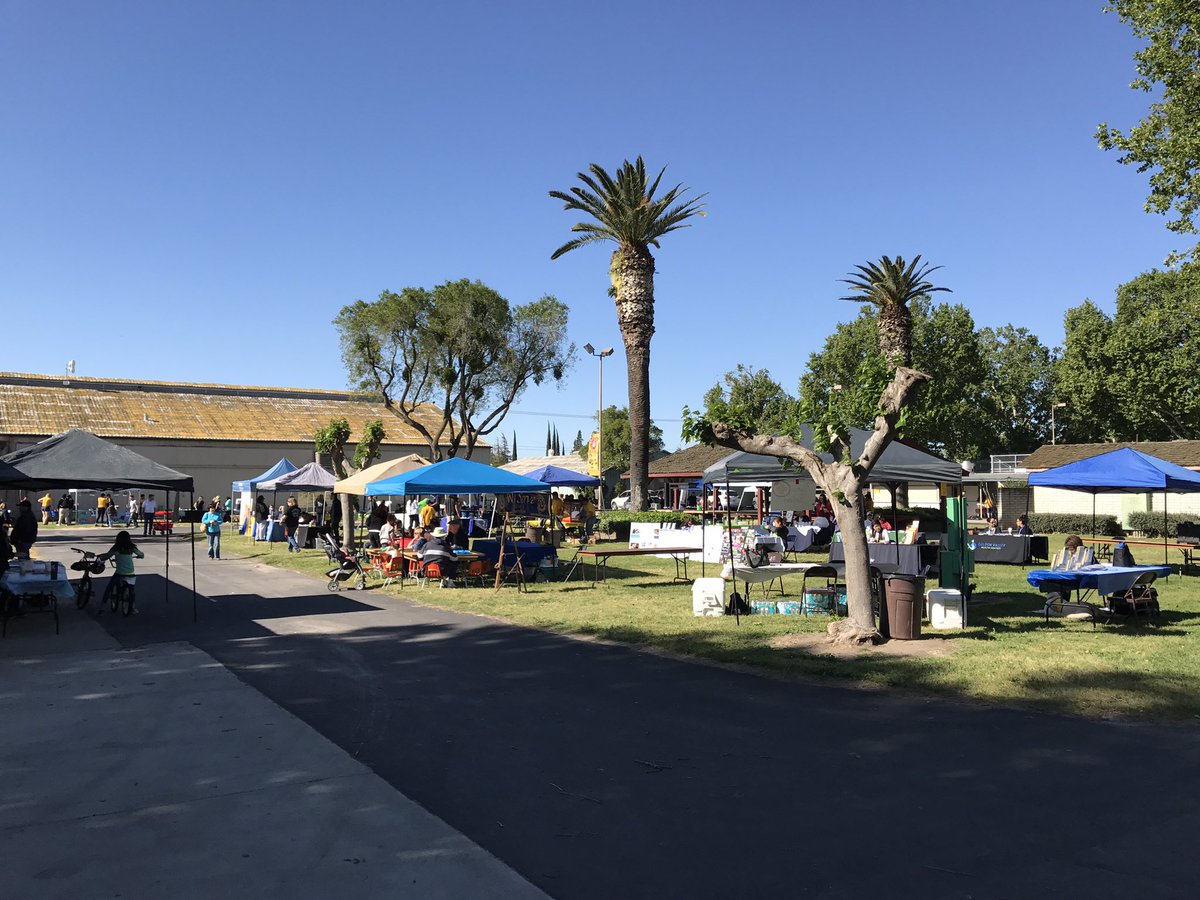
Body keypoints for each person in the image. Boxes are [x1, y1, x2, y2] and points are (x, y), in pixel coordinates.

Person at [99, 530, 145, 613]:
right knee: (131, 589)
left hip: (119, 573)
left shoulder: (116, 548)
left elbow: (107, 556)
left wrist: (100, 558)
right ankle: (133, 607)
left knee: (109, 588)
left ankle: (102, 607)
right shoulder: (132, 547)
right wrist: (139, 556)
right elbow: (141, 554)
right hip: (131, 573)